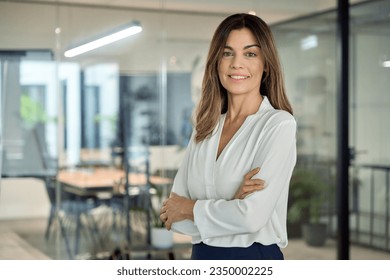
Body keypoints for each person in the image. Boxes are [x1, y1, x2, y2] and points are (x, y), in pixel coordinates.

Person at [159, 13, 296, 260]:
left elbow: (252, 217)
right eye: (227, 53)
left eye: (250, 54)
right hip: (201, 257)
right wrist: (231, 203)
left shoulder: (278, 125)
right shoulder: (205, 128)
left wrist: (192, 209)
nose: (236, 63)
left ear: (266, 64)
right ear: (217, 62)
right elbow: (172, 217)